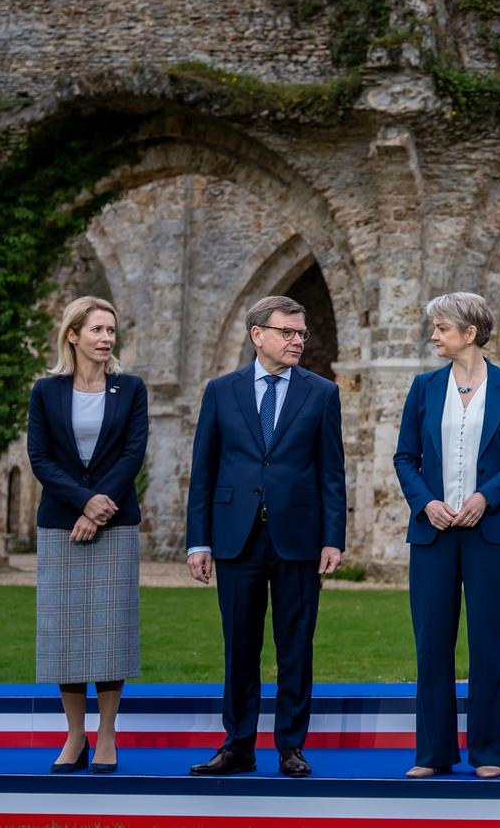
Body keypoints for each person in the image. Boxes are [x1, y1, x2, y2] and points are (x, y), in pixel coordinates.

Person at [184, 295, 346, 778]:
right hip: (235, 537)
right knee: (240, 646)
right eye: (287, 332)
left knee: (296, 645)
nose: (297, 341)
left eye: (301, 334)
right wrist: (199, 541)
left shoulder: (321, 393)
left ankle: (291, 746)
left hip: (299, 537)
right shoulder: (220, 390)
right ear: (258, 334)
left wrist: (333, 538)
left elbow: (332, 473)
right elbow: (204, 471)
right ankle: (237, 746)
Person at [393, 292, 500, 779]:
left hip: (491, 533)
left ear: (469, 333)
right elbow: (404, 458)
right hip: (432, 534)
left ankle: (489, 752)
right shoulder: (423, 387)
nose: (433, 335)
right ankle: (433, 753)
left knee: (489, 642)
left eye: (441, 328)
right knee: (432, 644)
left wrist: (485, 497)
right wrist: (425, 503)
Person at [26, 296, 148, 774]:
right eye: (97, 330)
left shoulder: (131, 389)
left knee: (109, 630)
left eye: (111, 330)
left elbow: (132, 454)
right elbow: (41, 458)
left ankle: (107, 733)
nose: (106, 339)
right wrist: (81, 501)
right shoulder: (46, 391)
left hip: (115, 522)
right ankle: (75, 735)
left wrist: (98, 510)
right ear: (72, 335)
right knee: (67, 634)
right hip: (61, 524)